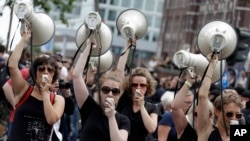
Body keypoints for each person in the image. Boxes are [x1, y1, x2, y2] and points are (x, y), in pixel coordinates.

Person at [6, 30, 65, 141]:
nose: (45, 72)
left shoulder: (58, 99)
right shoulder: (24, 90)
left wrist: (45, 93)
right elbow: (12, 65)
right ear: (35, 72)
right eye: (41, 69)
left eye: (50, 70)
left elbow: (51, 119)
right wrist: (24, 39)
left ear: (54, 75)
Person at [72, 38, 130, 141]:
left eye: (115, 91)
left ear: (119, 94)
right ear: (100, 91)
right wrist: (88, 47)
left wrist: (111, 117)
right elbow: (76, 76)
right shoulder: (90, 108)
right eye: (106, 90)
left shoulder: (123, 120)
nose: (110, 94)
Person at [197, 53, 243, 141]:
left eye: (238, 115)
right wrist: (212, 66)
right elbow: (202, 96)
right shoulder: (208, 130)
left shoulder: (240, 133)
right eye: (229, 114)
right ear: (217, 111)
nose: (234, 118)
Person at [116, 67, 158, 141]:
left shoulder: (152, 107)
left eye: (142, 85)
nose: (138, 88)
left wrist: (141, 106)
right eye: (134, 85)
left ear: (147, 87)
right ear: (130, 86)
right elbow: (119, 73)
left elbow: (151, 129)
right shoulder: (123, 101)